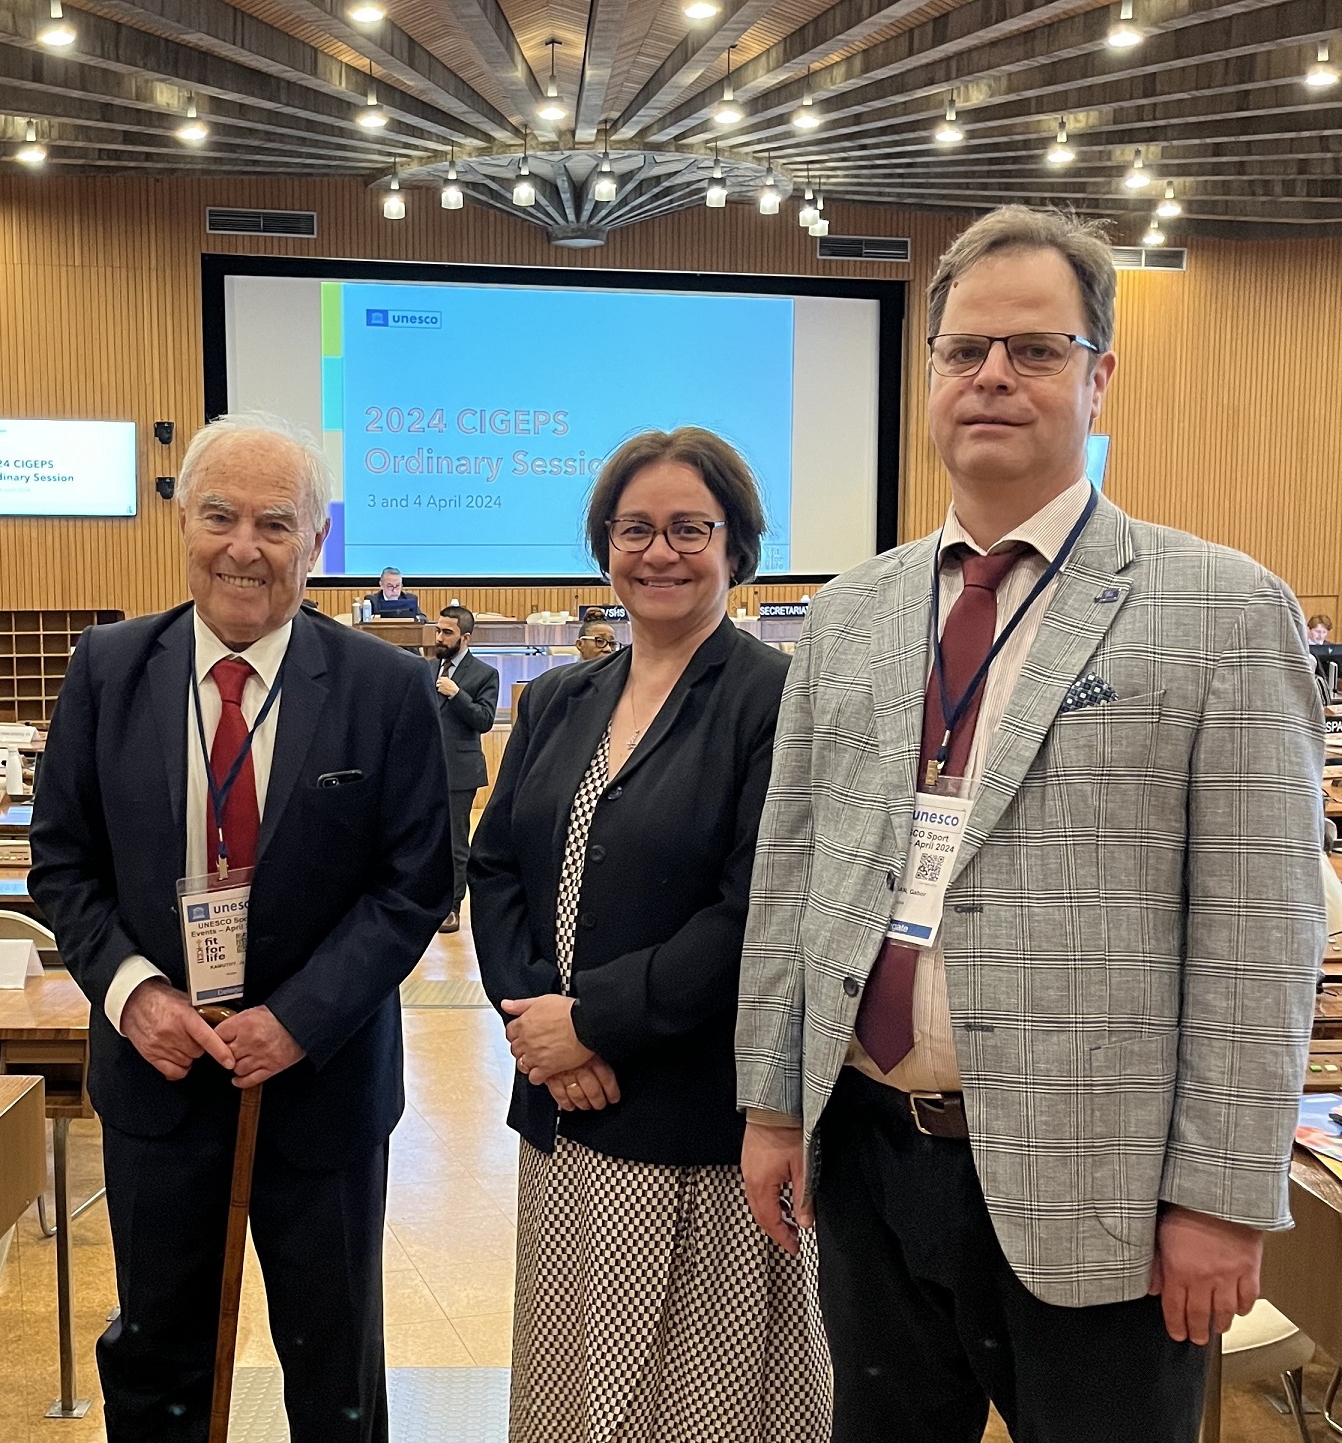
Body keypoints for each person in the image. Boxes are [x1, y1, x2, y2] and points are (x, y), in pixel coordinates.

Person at [735, 205, 1326, 1443]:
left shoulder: (1219, 607)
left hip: (1103, 1191)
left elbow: (1260, 926)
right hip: (873, 1159)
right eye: (964, 351)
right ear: (931, 376)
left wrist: (1224, 1198)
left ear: (1099, 376)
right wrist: (776, 1106)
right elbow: (795, 876)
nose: (992, 375)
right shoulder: (851, 611)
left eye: (1037, 350)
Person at [28, 412, 451, 1443]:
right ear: (183, 523)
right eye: (219, 515)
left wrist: (297, 1020)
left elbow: (416, 885)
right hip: (157, 1084)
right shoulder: (108, 667)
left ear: (318, 541)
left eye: (275, 522)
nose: (243, 547)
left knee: (334, 1357)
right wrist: (135, 997)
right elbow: (62, 864)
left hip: (323, 1087)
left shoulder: (383, 688)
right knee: (157, 1354)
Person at [471, 427, 830, 1443]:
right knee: (574, 1392)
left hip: (692, 1118)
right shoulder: (556, 700)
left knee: (691, 1406)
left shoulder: (777, 700)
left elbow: (760, 908)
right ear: (604, 546)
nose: (659, 553)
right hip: (564, 1114)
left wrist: (595, 1024)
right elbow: (495, 868)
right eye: (636, 529)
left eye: (689, 529)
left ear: (737, 547)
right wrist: (538, 1023)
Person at [430, 604, 500, 934]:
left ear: (465, 637)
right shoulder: (427, 668)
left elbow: (485, 721)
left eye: (447, 632)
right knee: (427, 840)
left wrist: (457, 695)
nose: (440, 637)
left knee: (457, 843)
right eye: (438, 630)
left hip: (459, 770)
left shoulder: (484, 674)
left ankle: (452, 907)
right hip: (425, 771)